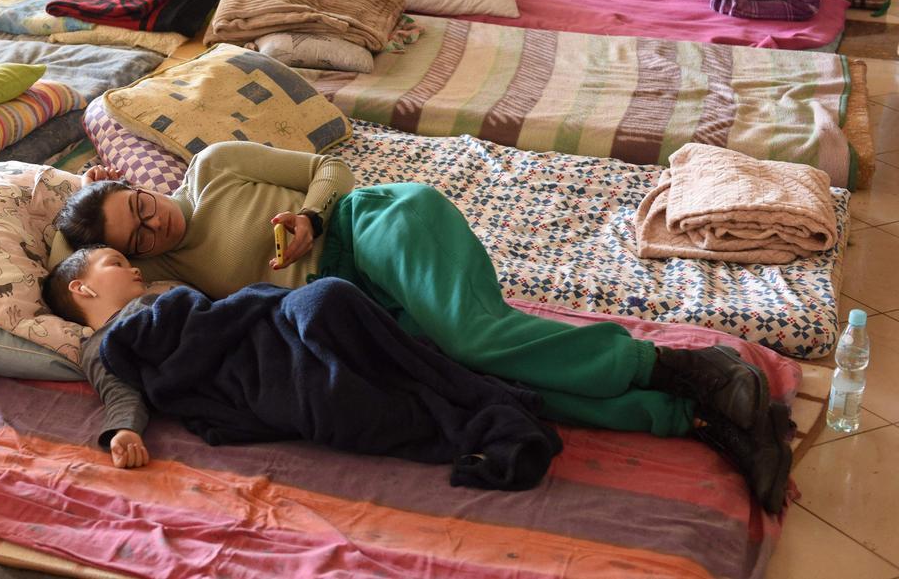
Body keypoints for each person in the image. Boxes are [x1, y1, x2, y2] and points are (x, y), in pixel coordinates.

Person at [53, 142, 792, 512]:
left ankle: (679, 366)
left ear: (137, 180)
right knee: (492, 384)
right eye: (138, 236)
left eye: (142, 203)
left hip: (371, 226)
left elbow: (329, 166)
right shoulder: (171, 281)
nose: (157, 221)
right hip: (361, 308)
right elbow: (130, 348)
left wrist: (310, 217)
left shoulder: (213, 167)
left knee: (475, 336)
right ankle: (699, 413)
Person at [44, 245, 565, 490]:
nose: (133, 267)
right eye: (114, 263)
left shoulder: (165, 295)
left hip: (271, 331)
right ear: (81, 289)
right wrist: (121, 433)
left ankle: (468, 390)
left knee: (326, 300)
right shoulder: (106, 344)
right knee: (339, 401)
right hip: (255, 377)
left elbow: (235, 313)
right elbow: (121, 395)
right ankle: (476, 412)